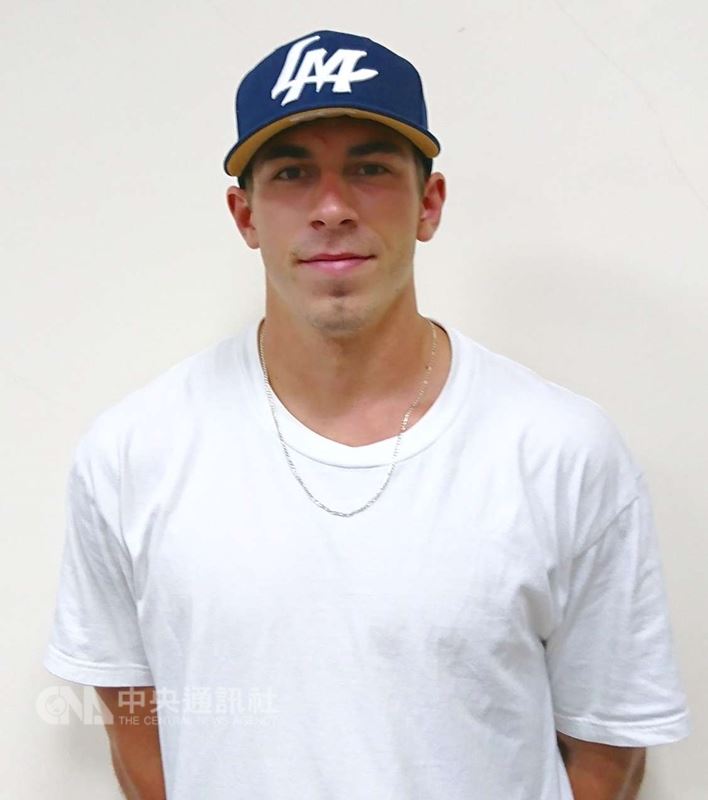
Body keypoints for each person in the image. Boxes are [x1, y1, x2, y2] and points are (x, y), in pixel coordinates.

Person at [43, 29, 690, 800]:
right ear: (245, 215)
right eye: (292, 173)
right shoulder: (133, 451)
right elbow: (134, 723)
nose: (332, 208)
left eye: (370, 169)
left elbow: (607, 749)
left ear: (429, 203)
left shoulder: (561, 449)